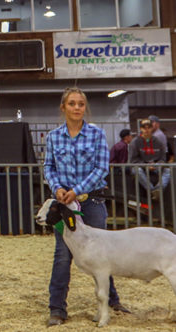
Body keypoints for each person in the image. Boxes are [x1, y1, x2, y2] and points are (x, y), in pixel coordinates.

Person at [43, 87, 129, 327]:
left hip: (91, 201)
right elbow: (48, 167)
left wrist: (77, 190)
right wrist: (58, 188)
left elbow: (102, 168)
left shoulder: (97, 134)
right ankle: (57, 308)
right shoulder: (53, 137)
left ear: (85, 108)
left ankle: (112, 301)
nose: (77, 107)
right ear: (64, 107)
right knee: (62, 255)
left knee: (102, 255)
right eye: (72, 103)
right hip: (64, 206)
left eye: (81, 104)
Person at [129, 118, 171, 192]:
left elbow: (163, 158)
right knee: (136, 170)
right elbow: (133, 160)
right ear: (141, 129)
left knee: (167, 170)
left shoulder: (158, 141)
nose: (146, 130)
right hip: (141, 167)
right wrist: (146, 166)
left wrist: (157, 164)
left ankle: (158, 190)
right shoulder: (135, 142)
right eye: (144, 128)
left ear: (152, 128)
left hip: (155, 166)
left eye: (149, 128)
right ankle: (152, 191)